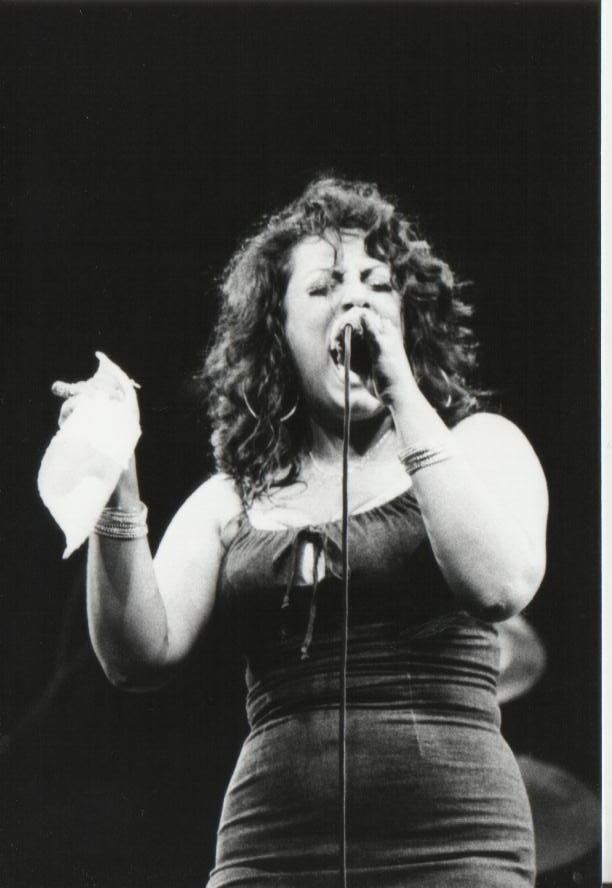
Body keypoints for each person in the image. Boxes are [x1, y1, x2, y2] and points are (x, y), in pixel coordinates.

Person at [55, 178, 548, 887]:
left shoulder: (482, 445)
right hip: (271, 849)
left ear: (407, 318)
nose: (355, 302)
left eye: (377, 284)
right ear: (279, 333)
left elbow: (499, 585)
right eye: (324, 288)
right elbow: (138, 657)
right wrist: (112, 487)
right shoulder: (235, 497)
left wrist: (403, 393)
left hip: (453, 846)